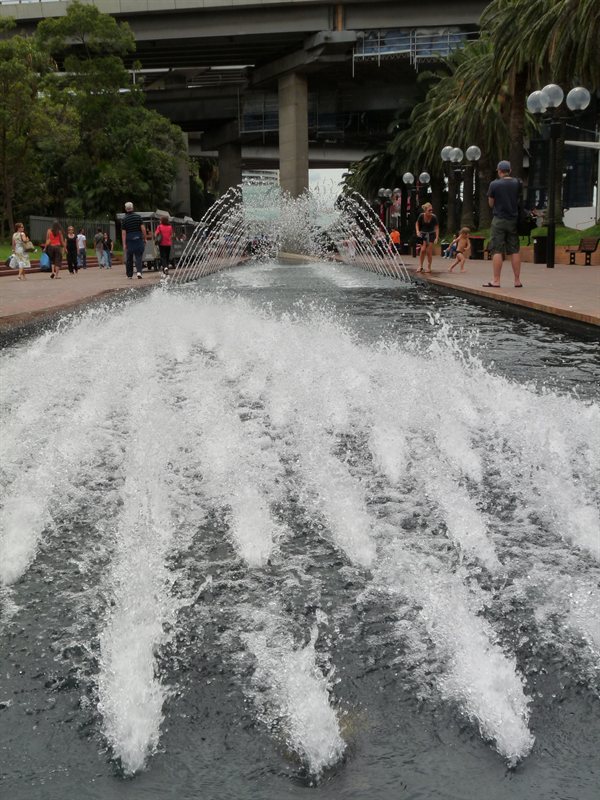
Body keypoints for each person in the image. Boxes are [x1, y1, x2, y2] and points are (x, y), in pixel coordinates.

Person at [485, 160, 523, 288]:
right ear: (510, 170)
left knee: (497, 250)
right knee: (515, 250)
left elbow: (491, 203)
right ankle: (517, 281)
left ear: (499, 171)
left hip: (499, 220)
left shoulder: (494, 184)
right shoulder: (517, 183)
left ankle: (496, 280)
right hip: (513, 220)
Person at [121, 201, 146, 279]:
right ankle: (139, 272)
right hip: (138, 238)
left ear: (126, 209)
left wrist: (124, 244)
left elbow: (124, 233)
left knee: (129, 257)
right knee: (138, 256)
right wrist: (145, 238)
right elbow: (143, 228)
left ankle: (129, 275)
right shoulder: (138, 217)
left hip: (129, 240)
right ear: (132, 208)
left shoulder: (124, 219)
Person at [415, 202, 439, 273]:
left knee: (429, 251)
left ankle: (429, 267)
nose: (431, 211)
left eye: (431, 210)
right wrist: (417, 231)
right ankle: (420, 266)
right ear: (425, 210)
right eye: (429, 210)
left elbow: (437, 227)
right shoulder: (421, 216)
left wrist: (436, 237)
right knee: (422, 250)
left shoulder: (434, 217)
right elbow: (417, 223)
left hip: (431, 234)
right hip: (423, 234)